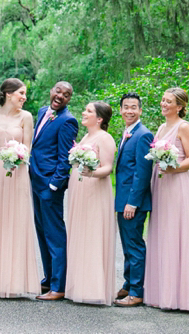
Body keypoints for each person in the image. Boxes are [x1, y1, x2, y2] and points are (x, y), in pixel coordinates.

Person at [144, 87, 189, 311]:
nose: (164, 104)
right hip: (161, 186)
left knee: (176, 234)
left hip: (177, 186)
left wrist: (174, 169)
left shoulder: (184, 127)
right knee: (162, 233)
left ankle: (182, 296)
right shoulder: (162, 127)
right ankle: (162, 292)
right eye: (163, 100)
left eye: (169, 101)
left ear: (180, 107)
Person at [0, 79, 40, 298]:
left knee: (15, 222)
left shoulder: (26, 117)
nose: (24, 97)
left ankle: (14, 282)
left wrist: (18, 156)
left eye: (25, 94)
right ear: (8, 93)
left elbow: (28, 147)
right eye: (21, 93)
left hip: (17, 172)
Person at [30, 81, 78, 301]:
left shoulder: (68, 121)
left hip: (50, 185)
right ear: (51, 91)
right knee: (42, 233)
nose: (61, 96)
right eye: (58, 91)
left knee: (55, 235)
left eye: (66, 95)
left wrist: (54, 184)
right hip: (35, 181)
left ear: (69, 99)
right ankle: (48, 279)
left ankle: (59, 287)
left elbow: (65, 157)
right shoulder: (42, 112)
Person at [65, 101, 117, 305]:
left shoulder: (105, 138)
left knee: (93, 236)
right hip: (80, 190)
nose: (84, 113)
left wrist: (91, 173)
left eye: (89, 111)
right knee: (80, 235)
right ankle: (80, 285)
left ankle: (94, 289)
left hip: (95, 191)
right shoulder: (86, 136)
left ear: (100, 119)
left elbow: (108, 168)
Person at [113, 92, 154, 307]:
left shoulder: (143, 135)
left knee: (135, 246)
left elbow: (142, 173)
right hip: (123, 199)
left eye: (133, 107)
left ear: (140, 110)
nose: (129, 110)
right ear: (121, 110)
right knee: (127, 245)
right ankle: (128, 284)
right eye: (126, 107)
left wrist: (133, 202)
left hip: (132, 202)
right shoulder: (128, 132)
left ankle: (137, 292)